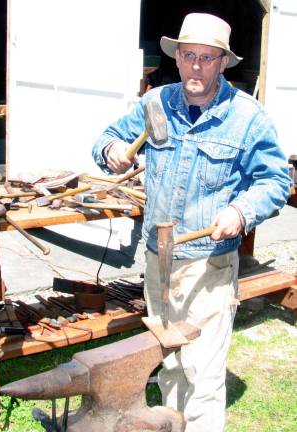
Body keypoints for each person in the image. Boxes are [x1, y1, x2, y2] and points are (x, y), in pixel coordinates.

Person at [92, 12, 292, 432]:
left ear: (223, 63)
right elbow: (106, 137)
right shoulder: (155, 103)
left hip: (209, 266)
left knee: (202, 371)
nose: (197, 66)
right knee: (168, 360)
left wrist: (240, 211)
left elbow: (274, 179)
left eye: (207, 57)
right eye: (189, 55)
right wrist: (112, 149)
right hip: (158, 260)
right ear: (177, 58)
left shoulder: (247, 117)